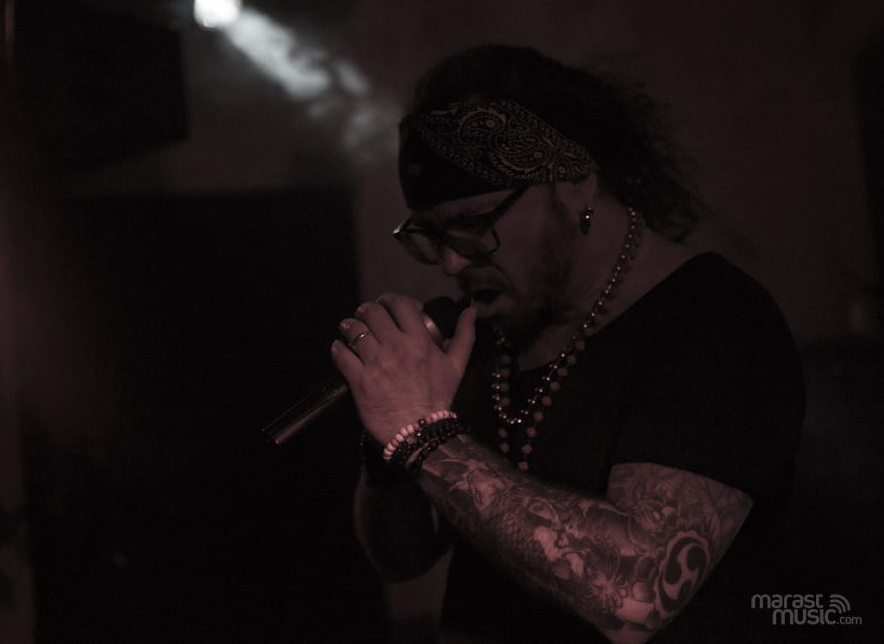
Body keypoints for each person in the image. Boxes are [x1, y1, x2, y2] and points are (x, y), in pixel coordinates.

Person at [330, 45, 804, 643]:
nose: (452, 262)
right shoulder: (487, 327)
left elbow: (638, 595)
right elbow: (401, 559)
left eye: (476, 224)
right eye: (432, 235)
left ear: (577, 180)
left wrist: (423, 436)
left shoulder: (714, 320)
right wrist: (386, 442)